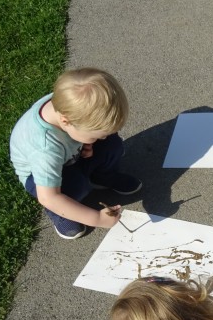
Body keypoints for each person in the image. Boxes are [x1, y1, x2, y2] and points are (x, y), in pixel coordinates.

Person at [9, 68, 141, 239]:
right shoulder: (44, 148)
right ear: (66, 121)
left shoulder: (72, 106)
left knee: (112, 144)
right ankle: (60, 215)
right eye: (95, 135)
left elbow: (85, 129)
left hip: (71, 153)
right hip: (40, 177)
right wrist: (97, 219)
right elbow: (49, 197)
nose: (102, 138)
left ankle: (102, 177)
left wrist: (88, 141)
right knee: (77, 186)